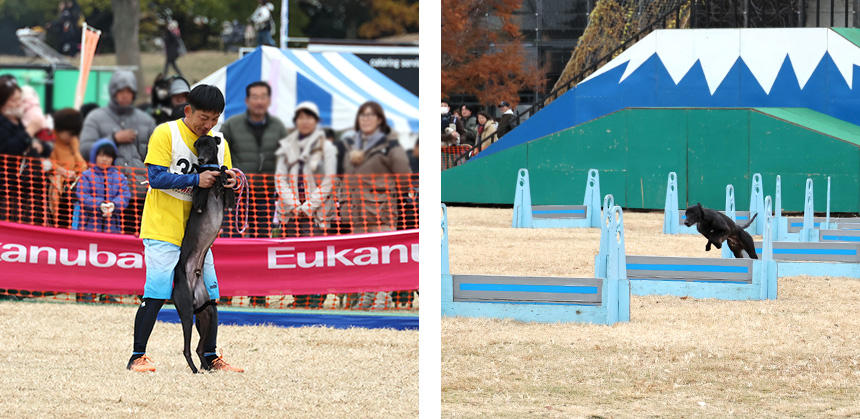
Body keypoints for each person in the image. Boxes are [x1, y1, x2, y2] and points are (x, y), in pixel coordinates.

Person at [127, 84, 243, 373]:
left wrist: (233, 181)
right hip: (163, 227)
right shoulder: (166, 133)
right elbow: (154, 177)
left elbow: (225, 178)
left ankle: (210, 357)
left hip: (200, 235)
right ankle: (137, 356)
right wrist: (195, 181)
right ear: (188, 110)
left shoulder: (219, 140)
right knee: (157, 291)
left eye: (215, 118)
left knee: (207, 294)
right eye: (204, 117)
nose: (209, 125)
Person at [341, 101, 411, 310]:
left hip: (381, 208)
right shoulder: (352, 145)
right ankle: (367, 293)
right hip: (356, 210)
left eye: (371, 115)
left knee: (383, 254)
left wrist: (384, 193)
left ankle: (383, 294)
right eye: (362, 115)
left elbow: (404, 178)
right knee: (363, 256)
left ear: (380, 119)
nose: (366, 119)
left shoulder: (391, 145)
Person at [274, 101, 337, 309]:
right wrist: (294, 205)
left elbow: (329, 180)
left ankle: (316, 299)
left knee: (315, 259)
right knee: (294, 259)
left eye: (309, 117)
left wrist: (309, 206)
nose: (305, 121)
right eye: (301, 117)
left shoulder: (327, 147)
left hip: (316, 214)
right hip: (291, 214)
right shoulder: (285, 145)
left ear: (316, 121)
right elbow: (279, 178)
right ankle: (298, 298)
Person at [80, 70, 156, 234]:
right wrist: (113, 138)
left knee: (139, 238)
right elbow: (85, 148)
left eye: (129, 92)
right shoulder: (96, 117)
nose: (124, 96)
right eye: (120, 91)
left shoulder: (146, 120)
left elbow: (156, 153)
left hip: (140, 191)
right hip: (107, 192)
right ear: (113, 92)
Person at [220, 80, 287, 238]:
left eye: (263, 97)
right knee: (233, 238)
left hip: (265, 194)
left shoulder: (278, 126)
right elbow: (219, 153)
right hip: (237, 195)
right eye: (255, 97)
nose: (259, 101)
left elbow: (285, 157)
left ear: (269, 101)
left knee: (262, 240)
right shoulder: (231, 125)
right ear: (247, 101)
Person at [76, 139, 130, 233]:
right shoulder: (86, 175)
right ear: (95, 156)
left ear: (113, 159)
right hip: (89, 226)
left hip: (113, 227)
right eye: (101, 155)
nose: (104, 159)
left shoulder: (120, 177)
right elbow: (83, 195)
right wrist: (100, 205)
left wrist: (113, 205)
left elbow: (125, 196)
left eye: (108, 156)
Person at [47, 108, 87, 227]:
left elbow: (81, 163)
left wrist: (80, 168)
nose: (71, 137)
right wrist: (63, 171)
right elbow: (46, 162)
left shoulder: (74, 142)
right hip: (56, 180)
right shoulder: (50, 141)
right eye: (69, 134)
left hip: (72, 182)